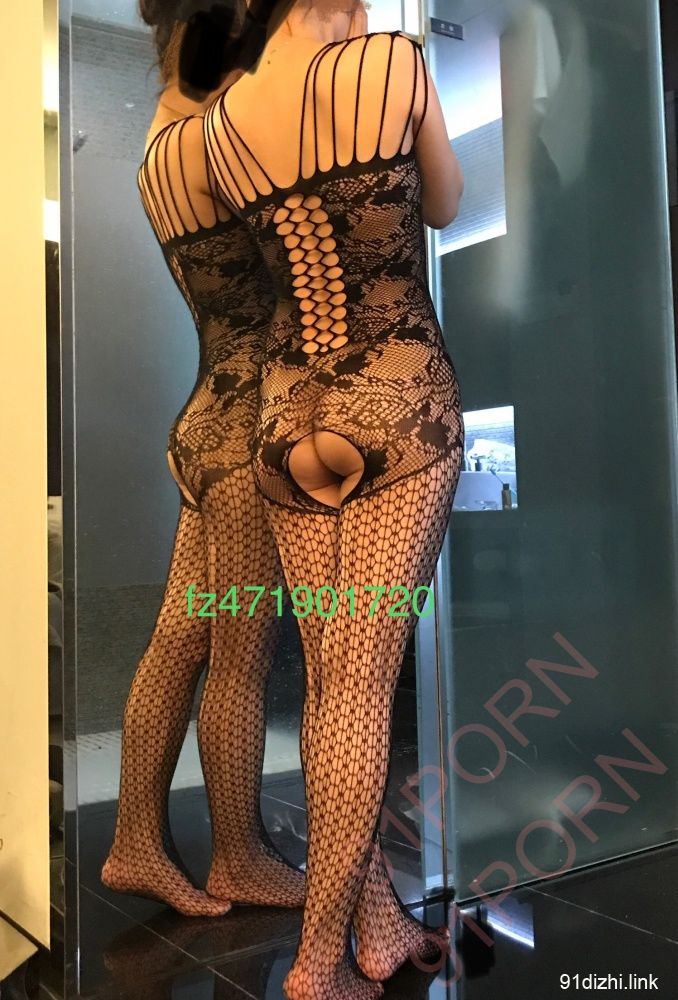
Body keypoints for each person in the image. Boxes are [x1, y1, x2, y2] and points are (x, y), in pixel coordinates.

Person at [201, 0, 465, 994]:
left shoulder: (220, 124)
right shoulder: (393, 64)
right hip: (398, 398)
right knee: (358, 688)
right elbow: (445, 204)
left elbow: (252, 276)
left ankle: (377, 922)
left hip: (284, 416)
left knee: (328, 684)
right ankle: (319, 966)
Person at [101, 0, 306, 917]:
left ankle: (135, 843)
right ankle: (239, 857)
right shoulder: (228, 130)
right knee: (239, 657)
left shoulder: (162, 135)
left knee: (182, 638)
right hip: (249, 421)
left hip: (203, 418)